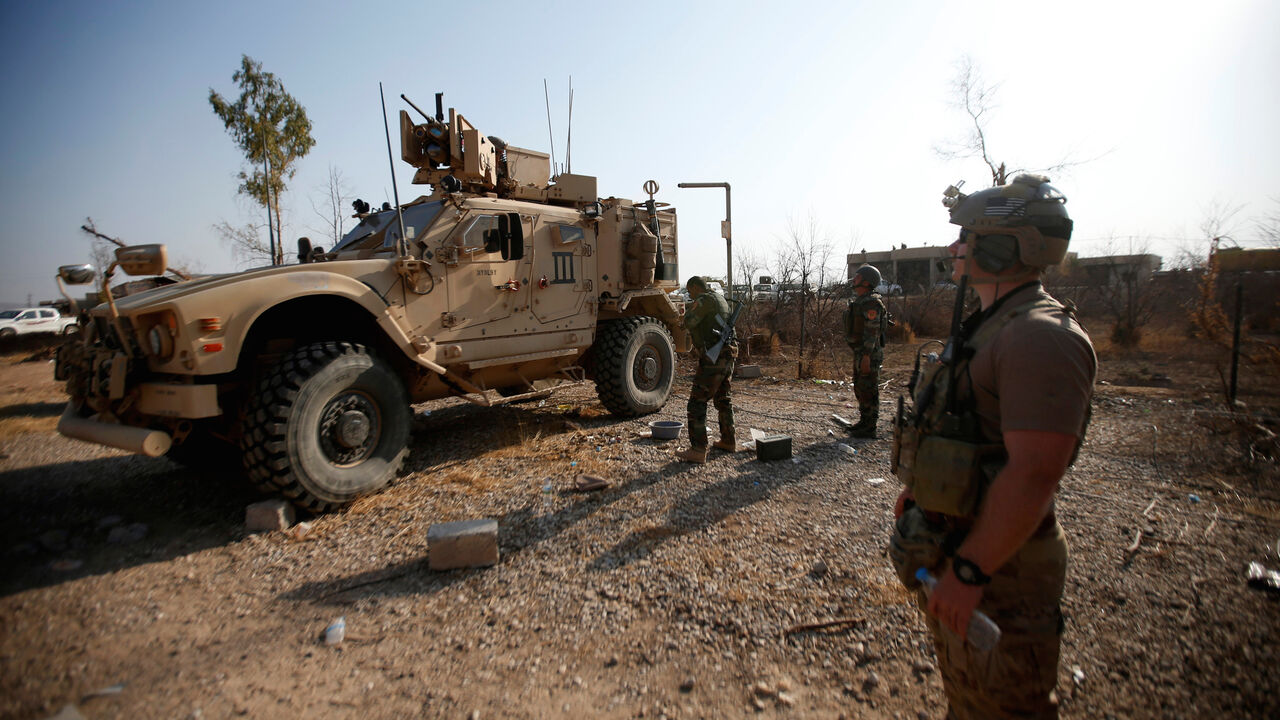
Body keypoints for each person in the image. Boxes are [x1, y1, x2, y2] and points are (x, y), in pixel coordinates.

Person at [888, 174, 1096, 719]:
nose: (955, 247)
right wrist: (922, 498)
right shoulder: (993, 324)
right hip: (965, 550)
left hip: (1002, 570)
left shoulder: (1039, 336)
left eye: (967, 237)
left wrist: (971, 571)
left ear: (1007, 247)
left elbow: (1034, 473)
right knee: (970, 699)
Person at [676, 276, 738, 463]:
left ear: (696, 287)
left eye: (690, 291)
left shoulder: (703, 300)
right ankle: (728, 440)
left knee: (697, 402)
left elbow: (689, 321)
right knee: (723, 398)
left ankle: (698, 449)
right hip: (728, 354)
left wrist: (685, 314)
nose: (690, 295)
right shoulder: (719, 298)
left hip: (714, 357)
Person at [842, 264, 888, 438]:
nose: (854, 279)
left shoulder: (871, 303)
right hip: (861, 352)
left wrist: (867, 356)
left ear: (867, 282)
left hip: (869, 353)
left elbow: (872, 331)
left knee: (868, 388)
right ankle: (864, 421)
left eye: (858, 277)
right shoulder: (861, 301)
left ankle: (870, 427)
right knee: (860, 387)